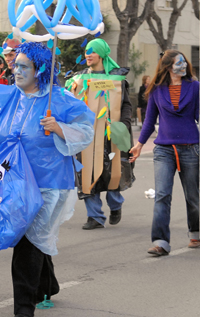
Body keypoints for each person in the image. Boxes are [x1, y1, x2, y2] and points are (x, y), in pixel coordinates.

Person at [0, 41, 94, 317]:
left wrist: (59, 128)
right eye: (15, 65)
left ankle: (24, 305)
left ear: (39, 69)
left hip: (48, 180)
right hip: (9, 181)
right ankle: (47, 284)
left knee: (27, 238)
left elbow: (86, 129)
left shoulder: (60, 100)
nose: (15, 70)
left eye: (23, 66)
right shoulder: (2, 97)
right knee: (29, 235)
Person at [129, 50, 200, 256]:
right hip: (163, 149)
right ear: (169, 67)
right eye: (179, 63)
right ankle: (161, 241)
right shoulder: (157, 90)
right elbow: (149, 121)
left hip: (191, 147)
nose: (184, 66)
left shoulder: (194, 87)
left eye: (184, 63)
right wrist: (139, 144)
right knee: (162, 195)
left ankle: (195, 231)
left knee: (193, 196)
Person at [66, 38, 134, 230]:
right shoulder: (78, 78)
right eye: (87, 51)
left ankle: (115, 204)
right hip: (86, 135)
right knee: (87, 173)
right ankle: (94, 216)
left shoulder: (117, 78)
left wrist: (125, 123)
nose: (88, 54)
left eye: (93, 51)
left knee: (112, 171)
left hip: (110, 134)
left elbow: (126, 105)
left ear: (102, 53)